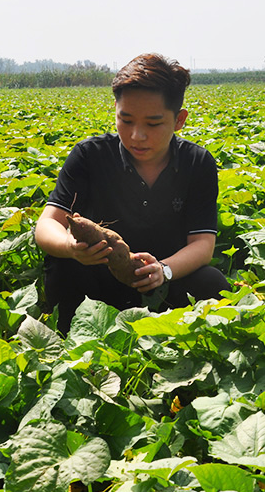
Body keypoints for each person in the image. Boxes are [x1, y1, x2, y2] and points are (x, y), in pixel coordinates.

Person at [35, 53, 230, 332]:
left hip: (159, 283)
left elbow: (203, 245)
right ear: (115, 108)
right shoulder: (89, 155)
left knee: (211, 283)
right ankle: (71, 340)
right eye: (126, 120)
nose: (137, 136)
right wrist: (71, 248)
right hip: (96, 282)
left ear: (179, 120)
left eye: (153, 124)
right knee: (64, 266)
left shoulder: (197, 163)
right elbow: (47, 224)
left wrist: (163, 270)